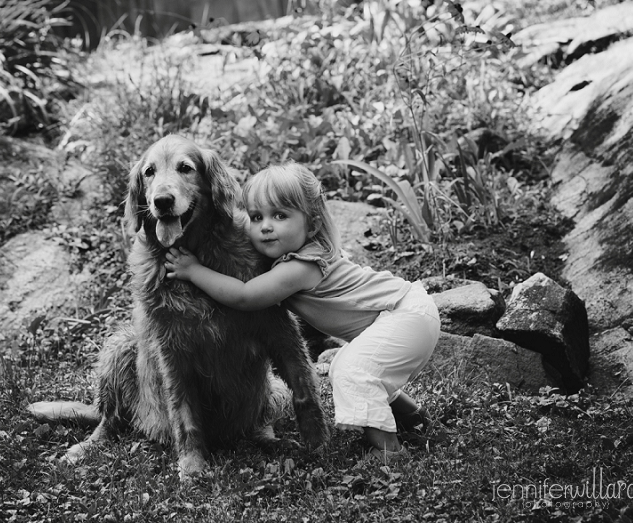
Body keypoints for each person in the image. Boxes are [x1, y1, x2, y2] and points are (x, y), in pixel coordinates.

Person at [164, 162, 441, 460]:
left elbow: (245, 297)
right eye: (257, 217)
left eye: (280, 215)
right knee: (361, 369)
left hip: (405, 314)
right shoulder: (295, 255)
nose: (265, 226)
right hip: (407, 312)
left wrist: (194, 270)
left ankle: (388, 450)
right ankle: (417, 421)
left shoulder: (301, 266)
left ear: (312, 224)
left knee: (351, 369)